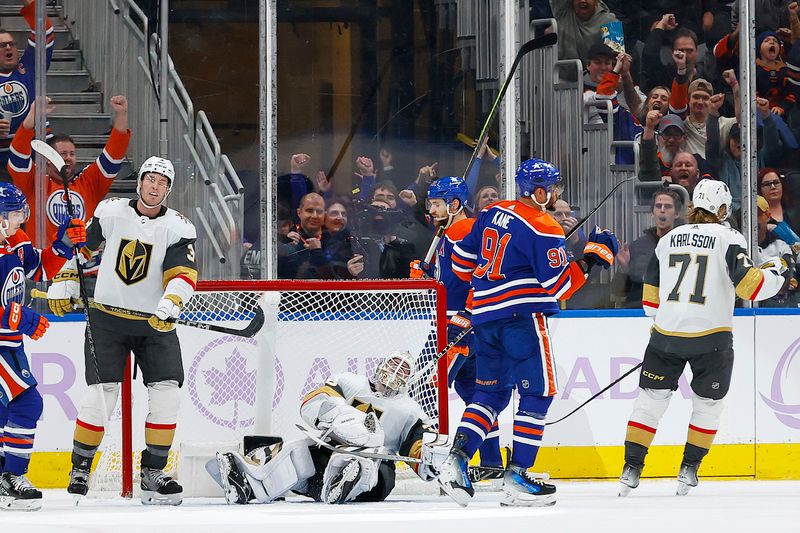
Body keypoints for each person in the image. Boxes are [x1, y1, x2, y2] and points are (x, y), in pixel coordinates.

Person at [437, 159, 619, 507]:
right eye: (551, 188)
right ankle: (518, 474)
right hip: (521, 320)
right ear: (538, 191)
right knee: (538, 393)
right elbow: (561, 286)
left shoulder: (492, 212)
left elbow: (461, 266)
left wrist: (508, 269)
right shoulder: (543, 225)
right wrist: (592, 258)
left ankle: (456, 461)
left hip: (484, 320)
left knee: (491, 396)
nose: (553, 194)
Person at [619, 180, 787, 497]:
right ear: (722, 210)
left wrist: (662, 327)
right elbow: (750, 287)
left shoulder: (668, 240)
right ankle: (689, 469)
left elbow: (650, 299)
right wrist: (779, 270)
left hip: (665, 337)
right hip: (711, 339)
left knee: (649, 403)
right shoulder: (729, 238)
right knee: (708, 406)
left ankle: (631, 468)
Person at [47, 156, 198, 506]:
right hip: (107, 321)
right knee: (99, 398)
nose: (154, 185)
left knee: (167, 396)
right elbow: (81, 248)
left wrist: (171, 303)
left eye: (162, 181)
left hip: (154, 324)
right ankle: (81, 467)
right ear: (140, 182)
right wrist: (67, 277)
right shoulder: (111, 211)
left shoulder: (178, 227)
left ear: (168, 189)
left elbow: (182, 274)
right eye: (150, 178)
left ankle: (153, 472)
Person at [207, 351, 447, 505]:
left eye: (403, 371)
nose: (395, 373)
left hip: (377, 467)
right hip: (328, 452)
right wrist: (340, 415)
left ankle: (343, 482)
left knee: (371, 469)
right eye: (393, 365)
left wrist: (429, 456)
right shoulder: (350, 382)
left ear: (409, 379)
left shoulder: (410, 410)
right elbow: (313, 401)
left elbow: (419, 444)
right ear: (381, 365)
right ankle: (248, 486)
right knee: (297, 451)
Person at [411, 176, 504, 481]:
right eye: (430, 203)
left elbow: (485, 275)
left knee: (425, 386)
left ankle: (430, 459)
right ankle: (491, 462)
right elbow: (452, 280)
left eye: (437, 204)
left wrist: (468, 312)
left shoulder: (464, 229)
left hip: (458, 324)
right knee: (475, 394)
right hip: (458, 322)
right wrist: (428, 276)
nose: (432, 209)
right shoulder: (449, 231)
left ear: (454, 204)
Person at [0, 183, 85, 511]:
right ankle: (13, 476)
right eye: (16, 214)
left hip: (9, 342)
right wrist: (20, 317)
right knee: (27, 403)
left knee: (7, 408)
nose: (22, 220)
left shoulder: (17, 241)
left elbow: (41, 269)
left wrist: (63, 244)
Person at [8, 95, 131, 243]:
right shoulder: (35, 184)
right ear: (48, 159)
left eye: (72, 154)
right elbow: (18, 157)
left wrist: (121, 114)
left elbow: (113, 156)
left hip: (82, 262)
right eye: (62, 154)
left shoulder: (88, 184)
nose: (68, 158)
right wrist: (31, 118)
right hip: (46, 262)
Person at [0, 0, 54, 173]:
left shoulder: (29, 67)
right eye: (2, 45)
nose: (8, 47)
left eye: (12, 44)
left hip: (35, 152)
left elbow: (44, 31)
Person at [612, 189, 682, 306]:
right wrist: (624, 268)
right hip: (639, 311)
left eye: (668, 206)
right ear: (652, 213)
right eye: (658, 206)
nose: (662, 210)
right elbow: (617, 292)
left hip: (672, 310)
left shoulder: (684, 245)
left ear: (676, 213)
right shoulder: (637, 247)